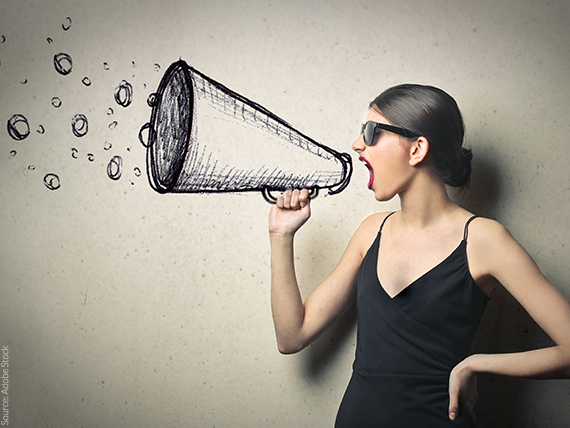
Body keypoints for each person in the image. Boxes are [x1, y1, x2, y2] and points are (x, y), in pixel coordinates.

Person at [268, 84, 570, 427]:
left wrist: (476, 364)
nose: (356, 144)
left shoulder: (484, 240)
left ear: (416, 149)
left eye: (371, 132)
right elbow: (292, 337)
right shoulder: (371, 231)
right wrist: (281, 235)